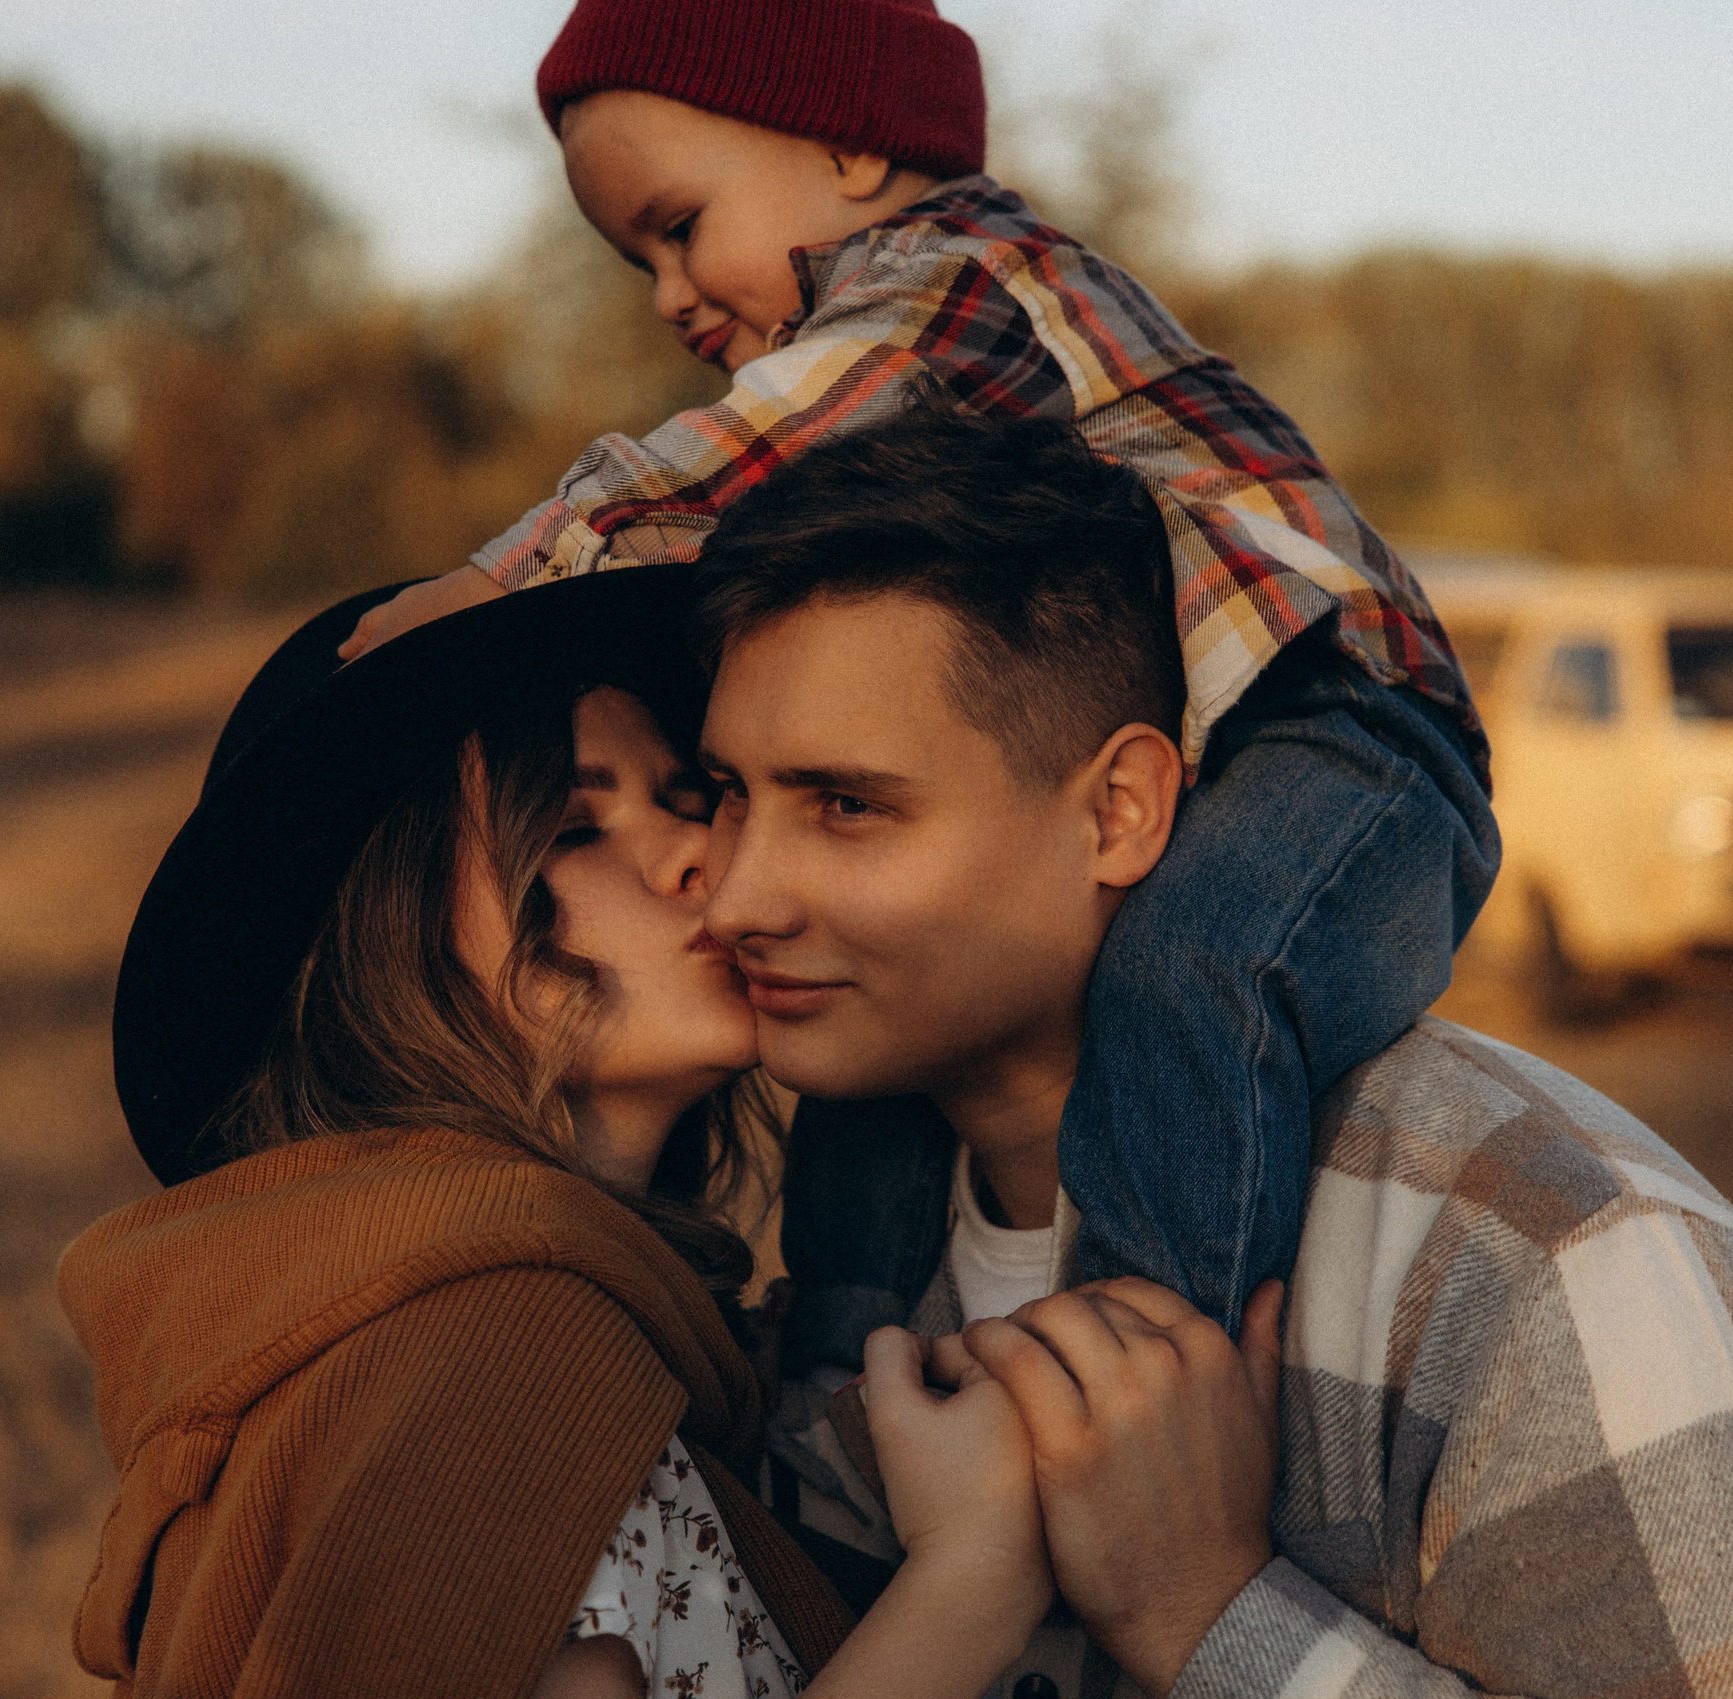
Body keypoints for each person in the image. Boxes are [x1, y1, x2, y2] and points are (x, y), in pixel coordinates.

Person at [337, 0, 1501, 1337]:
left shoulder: (964, 275)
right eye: (635, 260)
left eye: (677, 223)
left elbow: (754, 442)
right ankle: (845, 1347)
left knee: (1197, 971)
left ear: (846, 147)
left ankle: (1143, 1353)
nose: (668, 292)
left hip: (1346, 719)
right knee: (869, 1023)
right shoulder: (910, 323)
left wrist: (508, 573)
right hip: (1209, 722)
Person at [693, 408, 1733, 1699]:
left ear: (1118, 811)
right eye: (726, 794)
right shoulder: (827, 1260)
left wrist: (1208, 1613)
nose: (736, 895)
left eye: (849, 805)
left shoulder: (1538, 1251)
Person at [59, 570, 1054, 1699]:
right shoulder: (499, 1351)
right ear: (390, 928)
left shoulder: (500, 1309)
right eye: (577, 828)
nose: (700, 858)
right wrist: (975, 1580)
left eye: (691, 798)